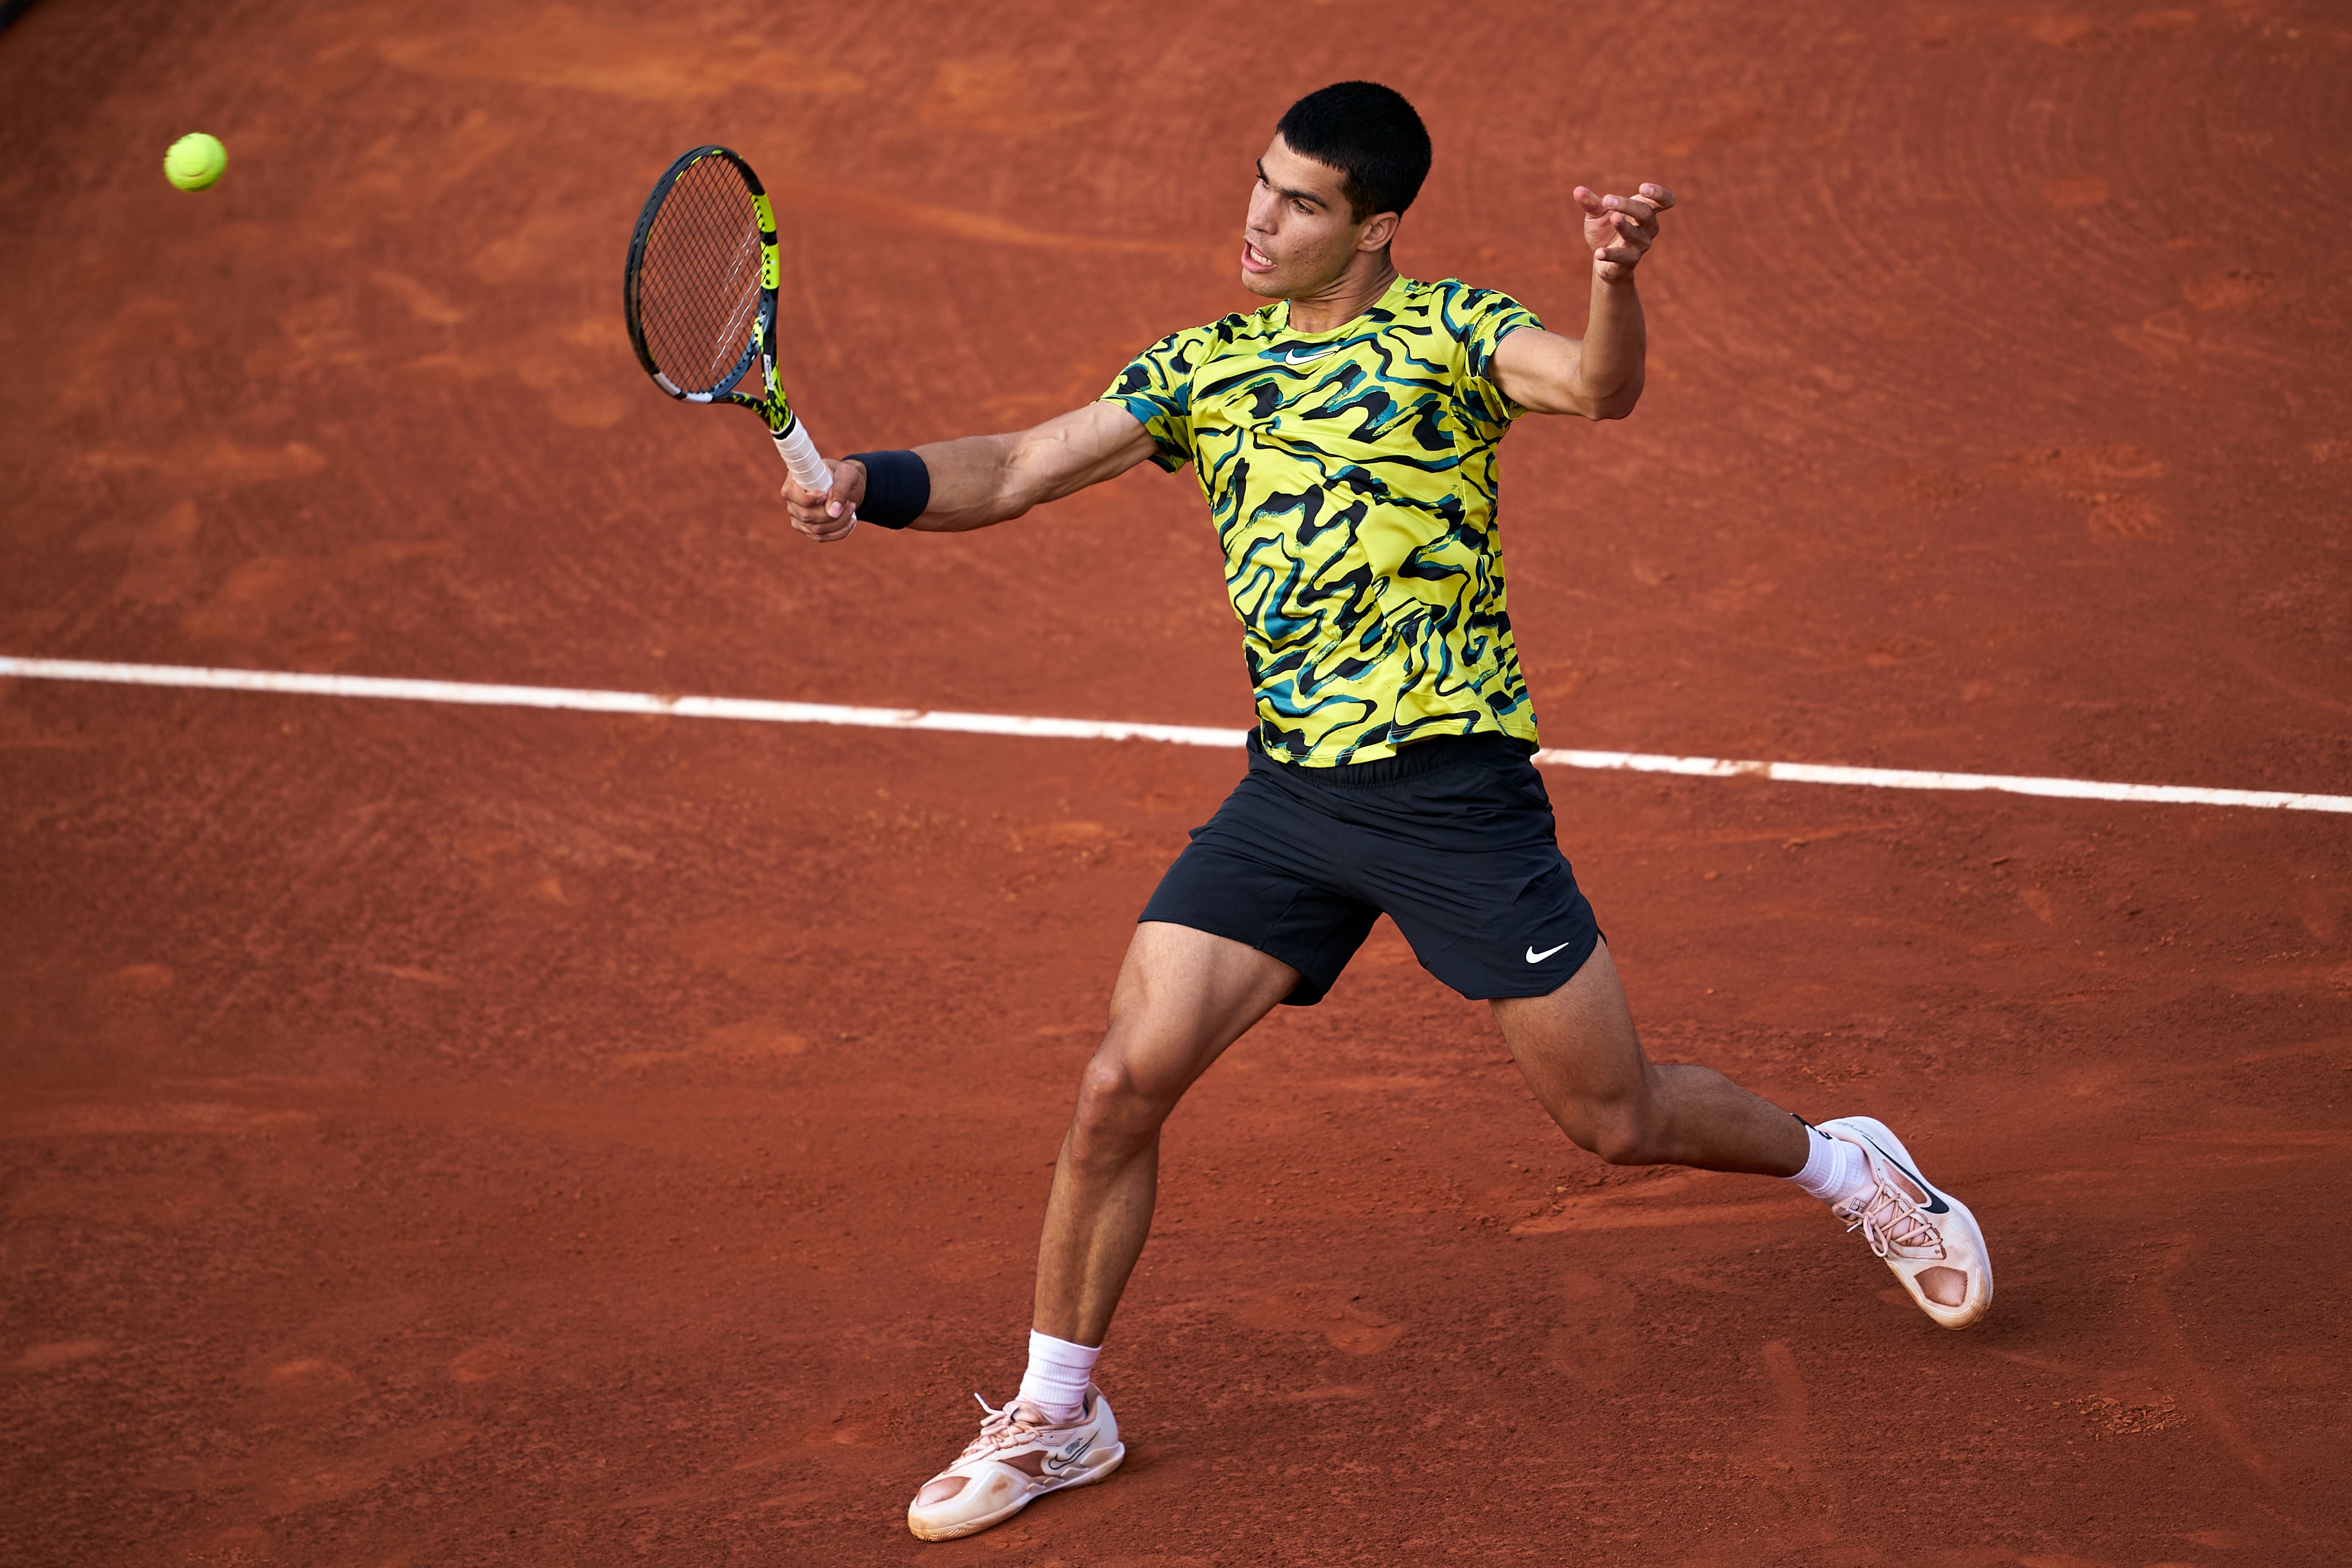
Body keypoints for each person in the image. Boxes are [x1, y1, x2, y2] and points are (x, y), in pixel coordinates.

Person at [780, 81, 1993, 1544]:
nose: (1257, 216)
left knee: (1612, 1119)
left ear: (1373, 229)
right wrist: (874, 484)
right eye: (1258, 183)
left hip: (1452, 800)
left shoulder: (1451, 333)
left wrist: (1611, 284)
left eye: (1297, 202)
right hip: (1288, 796)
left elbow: (1597, 388)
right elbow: (1028, 463)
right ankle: (1059, 1408)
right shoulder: (1204, 365)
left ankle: (1848, 1164)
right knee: (1119, 1081)